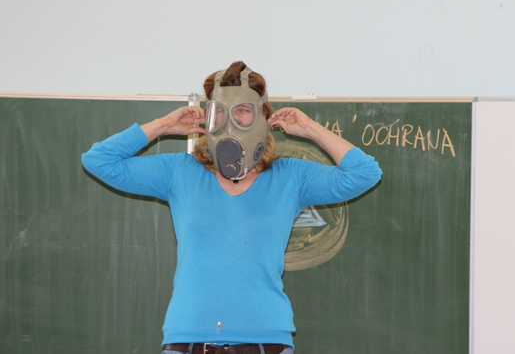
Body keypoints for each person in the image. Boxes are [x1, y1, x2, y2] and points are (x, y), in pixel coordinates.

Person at [81, 61, 382, 354]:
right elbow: (98, 160)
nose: (231, 122)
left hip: (266, 342)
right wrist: (164, 126)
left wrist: (310, 129)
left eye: (243, 111)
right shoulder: (180, 172)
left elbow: (365, 173)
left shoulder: (290, 177)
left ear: (263, 117)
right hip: (187, 341)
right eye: (220, 112)